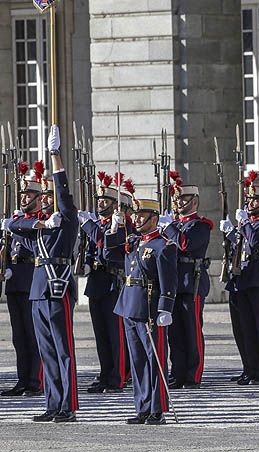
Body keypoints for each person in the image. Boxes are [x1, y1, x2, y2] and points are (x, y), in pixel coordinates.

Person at [3, 125, 79, 422]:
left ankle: (68, 406)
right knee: (47, 351)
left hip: (57, 287)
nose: (46, 200)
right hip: (37, 289)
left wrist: (55, 155)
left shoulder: (67, 218)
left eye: (49, 197)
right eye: (44, 198)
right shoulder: (40, 226)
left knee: (63, 351)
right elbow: (12, 225)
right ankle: (52, 403)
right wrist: (39, 225)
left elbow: (61, 189)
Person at [110, 197, 177, 425]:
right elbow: (109, 256)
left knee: (154, 359)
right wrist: (114, 228)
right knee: (137, 361)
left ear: (154, 219)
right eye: (136, 215)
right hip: (129, 304)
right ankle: (142, 406)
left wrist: (165, 308)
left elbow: (169, 281)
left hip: (149, 308)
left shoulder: (163, 245)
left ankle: (157, 409)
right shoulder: (135, 242)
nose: (136, 218)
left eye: (141, 215)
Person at [220, 171, 259, 385]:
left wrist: (243, 224)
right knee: (242, 327)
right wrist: (229, 233)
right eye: (249, 199)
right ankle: (248, 368)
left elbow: (256, 241)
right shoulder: (243, 225)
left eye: (255, 199)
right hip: (240, 279)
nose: (250, 203)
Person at [78, 171, 131, 393]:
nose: (100, 204)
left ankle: (117, 376)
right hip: (97, 281)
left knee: (115, 334)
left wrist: (89, 227)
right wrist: (87, 262)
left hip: (113, 282)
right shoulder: (98, 223)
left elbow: (107, 248)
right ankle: (105, 373)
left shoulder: (122, 225)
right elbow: (91, 249)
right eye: (99, 200)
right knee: (100, 334)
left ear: (115, 205)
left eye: (105, 201)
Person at [159, 175, 212, 389]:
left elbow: (185, 244)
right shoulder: (172, 225)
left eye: (184, 199)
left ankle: (193, 374)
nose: (179, 202)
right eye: (177, 199)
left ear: (195, 201)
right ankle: (177, 372)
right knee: (175, 333)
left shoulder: (201, 225)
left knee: (191, 330)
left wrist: (169, 227)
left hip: (192, 282)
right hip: (173, 284)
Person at [0, 161, 42, 398]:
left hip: (31, 280)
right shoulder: (16, 220)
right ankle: (22, 379)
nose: (24, 199)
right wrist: (5, 266)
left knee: (32, 334)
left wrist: (13, 226)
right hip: (15, 281)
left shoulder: (37, 221)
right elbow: (6, 249)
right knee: (18, 336)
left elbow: (36, 246)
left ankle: (35, 380)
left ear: (38, 198)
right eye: (23, 195)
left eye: (28, 195)